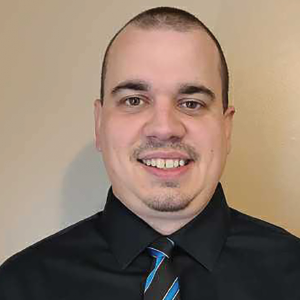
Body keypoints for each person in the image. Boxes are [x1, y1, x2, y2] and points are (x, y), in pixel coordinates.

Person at [0, 6, 299, 300]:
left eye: (191, 103)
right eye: (134, 101)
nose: (164, 127)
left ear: (226, 128)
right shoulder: (17, 286)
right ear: (99, 123)